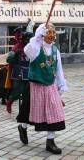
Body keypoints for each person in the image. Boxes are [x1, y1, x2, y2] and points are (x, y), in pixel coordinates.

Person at [20, 23, 67, 154]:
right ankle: (22, 127)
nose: (51, 35)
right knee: (29, 112)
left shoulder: (55, 50)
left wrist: (61, 85)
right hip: (36, 86)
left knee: (54, 112)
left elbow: (58, 69)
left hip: (50, 85)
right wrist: (37, 37)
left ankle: (50, 142)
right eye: (48, 32)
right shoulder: (36, 48)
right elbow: (27, 51)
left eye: (53, 32)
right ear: (42, 34)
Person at [5, 27, 33, 114]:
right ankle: (10, 102)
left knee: (28, 93)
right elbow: (9, 59)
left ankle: (26, 110)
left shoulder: (32, 47)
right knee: (17, 91)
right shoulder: (17, 47)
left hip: (30, 72)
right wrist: (14, 55)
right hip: (19, 72)